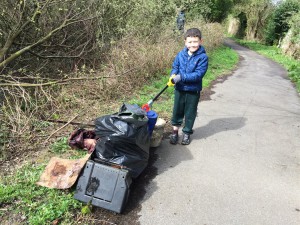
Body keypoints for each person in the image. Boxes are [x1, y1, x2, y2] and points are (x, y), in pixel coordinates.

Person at [169, 28, 208, 145]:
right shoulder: (180, 54)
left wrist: (181, 77)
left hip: (193, 91)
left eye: (195, 42)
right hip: (179, 89)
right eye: (190, 42)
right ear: (185, 42)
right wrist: (173, 75)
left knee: (190, 113)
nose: (193, 44)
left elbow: (198, 75)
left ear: (200, 41)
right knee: (177, 111)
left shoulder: (203, 57)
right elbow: (175, 66)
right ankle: (175, 132)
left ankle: (186, 133)